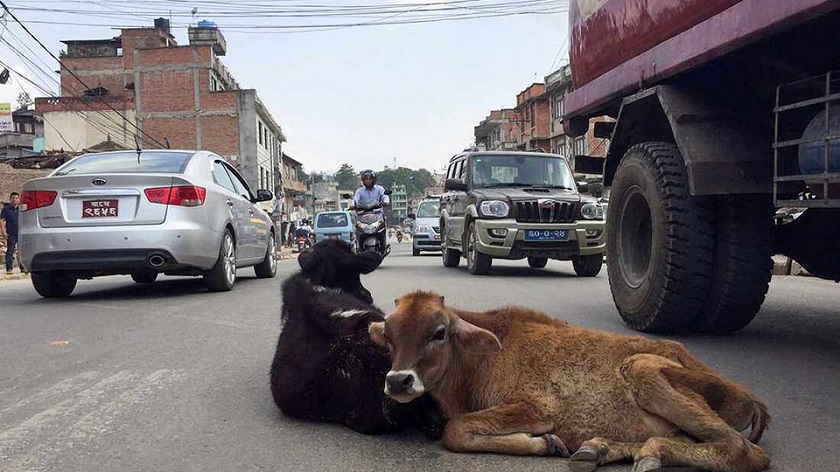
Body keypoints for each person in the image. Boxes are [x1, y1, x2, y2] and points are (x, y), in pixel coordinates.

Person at [1, 192, 20, 274]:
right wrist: (3, 231)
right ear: (10, 199)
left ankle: (23, 268)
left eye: (16, 198)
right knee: (10, 250)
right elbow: (2, 220)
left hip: (21, 233)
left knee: (22, 251)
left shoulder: (21, 209)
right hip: (11, 232)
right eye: (13, 198)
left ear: (19, 199)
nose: (14, 200)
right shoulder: (6, 209)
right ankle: (9, 268)